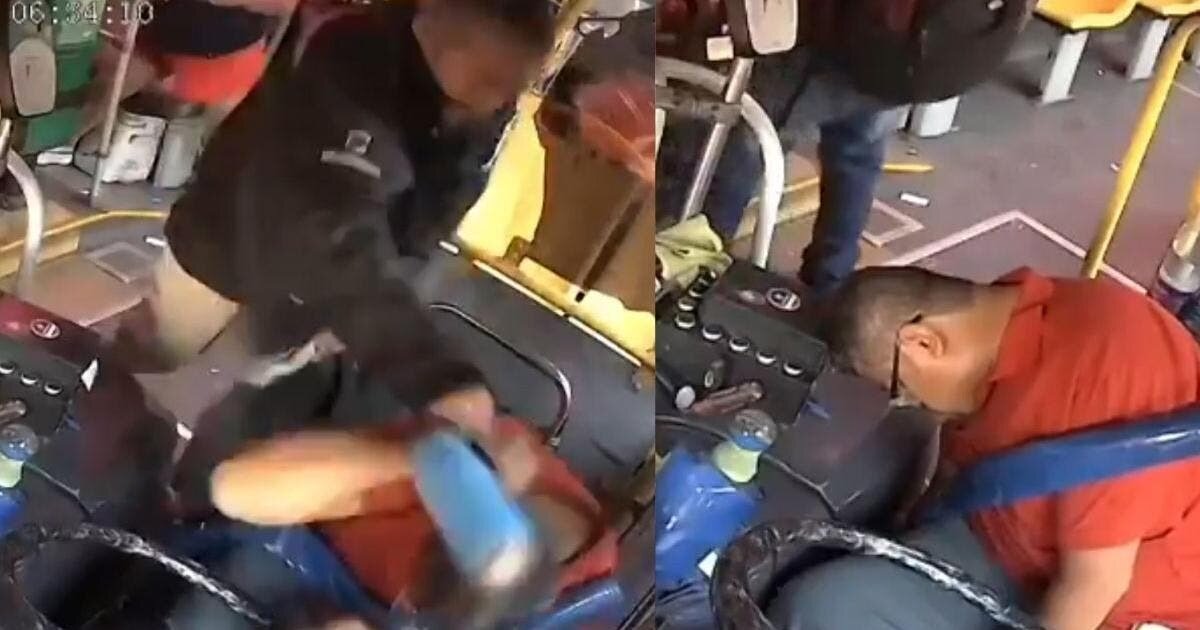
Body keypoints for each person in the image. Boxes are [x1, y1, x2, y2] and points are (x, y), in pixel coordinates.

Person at [109, 0, 553, 432]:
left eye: (516, 88)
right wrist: (433, 372)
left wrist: (384, 291)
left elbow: (434, 214)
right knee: (148, 352)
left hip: (313, 302)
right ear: (449, 44)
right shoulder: (351, 58)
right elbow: (331, 225)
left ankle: (197, 458)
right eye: (492, 81)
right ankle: (86, 409)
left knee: (247, 414)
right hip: (223, 242)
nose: (503, 100)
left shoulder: (478, 108)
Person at [769, 266, 1200, 629]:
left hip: (1119, 605)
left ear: (923, 343)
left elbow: (1094, 587)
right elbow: (960, 468)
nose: (912, 404)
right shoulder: (1000, 320)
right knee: (816, 609)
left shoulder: (1109, 374)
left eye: (900, 390)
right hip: (1002, 542)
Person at [658, 46, 903, 296]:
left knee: (745, 147)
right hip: (904, 58)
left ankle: (689, 279)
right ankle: (829, 285)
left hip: (821, 45)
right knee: (857, 156)